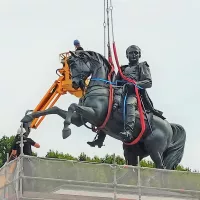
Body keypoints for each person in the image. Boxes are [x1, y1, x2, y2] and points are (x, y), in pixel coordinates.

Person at [87, 45, 163, 147]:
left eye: (136, 53)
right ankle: (100, 138)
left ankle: (129, 131)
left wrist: (134, 84)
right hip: (119, 93)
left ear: (139, 54)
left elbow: (148, 82)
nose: (134, 55)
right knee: (106, 106)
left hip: (134, 94)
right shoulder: (122, 69)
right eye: (131, 53)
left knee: (129, 104)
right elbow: (115, 83)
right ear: (127, 55)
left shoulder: (142, 66)